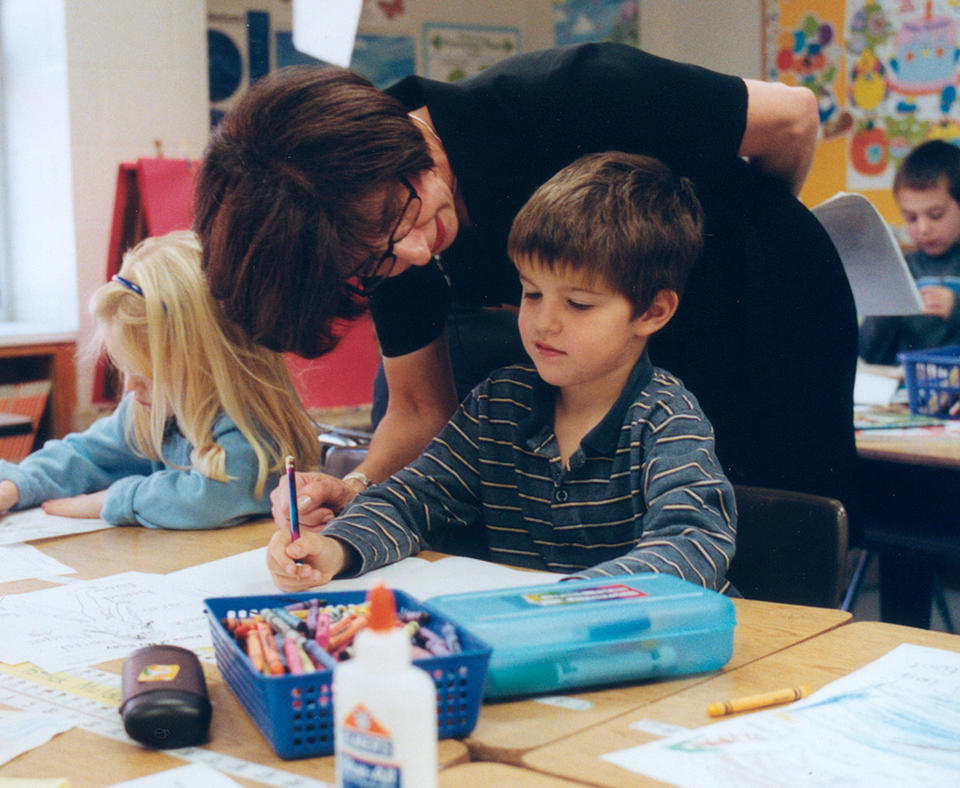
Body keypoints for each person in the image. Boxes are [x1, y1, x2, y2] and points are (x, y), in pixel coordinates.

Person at [195, 43, 858, 527]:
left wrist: (747, 235)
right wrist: (357, 486)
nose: (419, 251)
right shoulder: (369, 231)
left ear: (394, 139)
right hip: (630, 348)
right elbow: (420, 407)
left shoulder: (566, 96)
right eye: (377, 261)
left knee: (770, 525)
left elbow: (794, 118)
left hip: (766, 305)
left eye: (410, 212)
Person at [267, 151, 737, 593]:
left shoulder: (665, 420)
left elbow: (694, 541)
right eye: (531, 294)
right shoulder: (498, 406)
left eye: (578, 303)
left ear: (653, 312)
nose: (544, 322)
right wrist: (336, 547)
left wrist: (573, 599)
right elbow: (411, 498)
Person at [0, 231, 322, 529]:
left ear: (207, 367)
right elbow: (86, 454)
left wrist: (111, 501)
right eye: (127, 369)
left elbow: (208, 499)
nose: (129, 387)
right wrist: (18, 484)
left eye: (147, 375)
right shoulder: (152, 408)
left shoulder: (247, 428)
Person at [860, 139, 960, 365]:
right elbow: (869, 352)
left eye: (935, 215)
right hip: (908, 392)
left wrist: (956, 310)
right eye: (911, 218)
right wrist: (885, 308)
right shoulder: (901, 270)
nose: (923, 229)